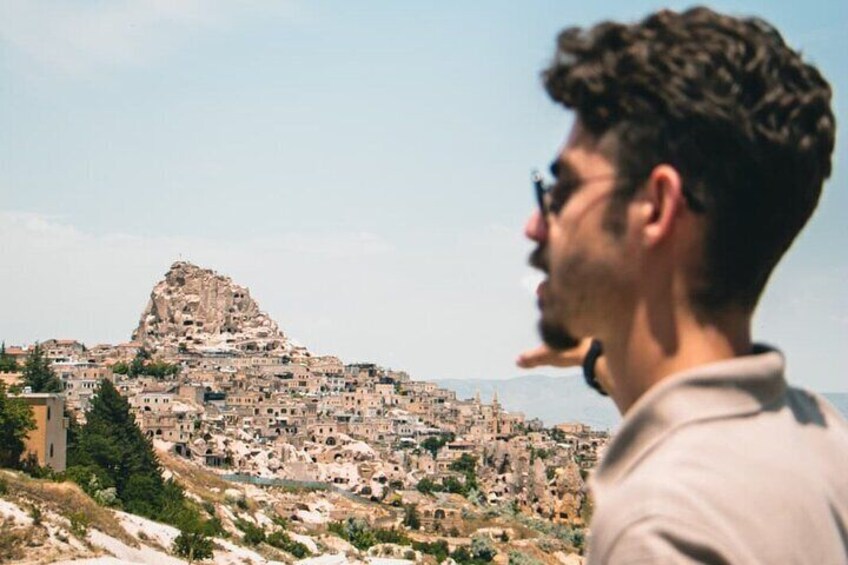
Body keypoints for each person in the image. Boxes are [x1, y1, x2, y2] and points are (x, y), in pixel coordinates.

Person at [519, 7, 848, 563]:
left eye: (562, 188)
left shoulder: (660, 529)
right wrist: (602, 357)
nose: (536, 224)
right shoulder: (822, 441)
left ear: (655, 206)